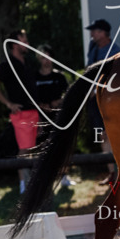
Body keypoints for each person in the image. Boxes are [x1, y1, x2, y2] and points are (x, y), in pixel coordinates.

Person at [0, 29, 39, 193]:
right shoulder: (7, 64)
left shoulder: (27, 63)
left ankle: (29, 181)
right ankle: (24, 184)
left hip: (33, 111)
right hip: (21, 113)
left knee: (30, 148)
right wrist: (9, 104)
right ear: (15, 44)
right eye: (24, 41)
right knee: (24, 149)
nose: (28, 44)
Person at [85, 19, 120, 185]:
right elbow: (89, 70)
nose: (92, 34)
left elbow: (114, 78)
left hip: (109, 100)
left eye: (95, 31)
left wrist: (95, 90)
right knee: (102, 135)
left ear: (103, 33)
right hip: (95, 100)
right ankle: (112, 173)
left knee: (113, 134)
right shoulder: (93, 49)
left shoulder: (115, 51)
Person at [35, 45, 75, 187]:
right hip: (40, 119)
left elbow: (69, 94)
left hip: (58, 118)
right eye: (42, 57)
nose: (46, 60)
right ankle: (43, 178)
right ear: (39, 59)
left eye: (48, 56)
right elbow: (30, 97)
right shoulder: (34, 77)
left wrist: (58, 102)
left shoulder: (59, 76)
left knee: (61, 147)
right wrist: (40, 106)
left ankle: (63, 176)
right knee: (42, 148)